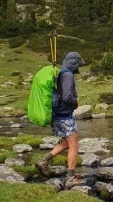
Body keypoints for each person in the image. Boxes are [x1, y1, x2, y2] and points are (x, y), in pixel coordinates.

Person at [35, 51, 85, 188]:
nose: (78, 68)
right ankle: (71, 177)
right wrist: (75, 103)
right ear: (74, 63)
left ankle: (43, 161)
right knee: (74, 145)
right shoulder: (68, 75)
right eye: (78, 64)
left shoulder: (60, 73)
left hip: (57, 115)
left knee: (65, 143)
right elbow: (67, 97)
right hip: (65, 115)